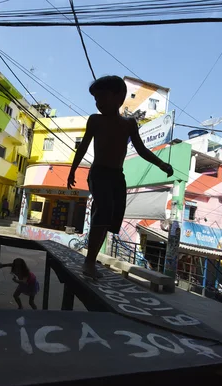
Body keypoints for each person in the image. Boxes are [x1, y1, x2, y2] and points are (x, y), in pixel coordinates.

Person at [67, 76, 174, 279]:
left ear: (119, 97)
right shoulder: (95, 120)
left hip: (117, 176)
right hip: (98, 173)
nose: (98, 103)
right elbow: (83, 146)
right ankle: (89, 262)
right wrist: (73, 170)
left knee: (111, 218)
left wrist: (161, 163)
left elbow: (141, 149)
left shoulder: (129, 124)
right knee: (105, 210)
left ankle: (92, 256)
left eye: (102, 97)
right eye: (95, 99)